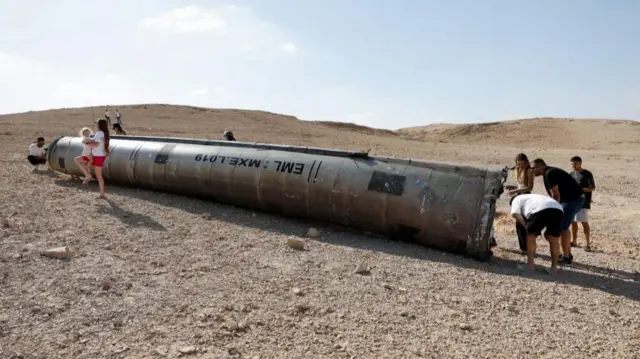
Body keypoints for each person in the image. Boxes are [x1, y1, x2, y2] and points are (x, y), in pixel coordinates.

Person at [531, 158, 585, 264]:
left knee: (562, 227)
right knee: (561, 227)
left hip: (572, 200)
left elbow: (556, 195)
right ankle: (567, 254)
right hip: (572, 199)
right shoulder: (549, 172)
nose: (532, 170)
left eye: (533, 168)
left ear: (541, 166)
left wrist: (553, 212)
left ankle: (566, 257)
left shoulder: (549, 174)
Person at [510, 193, 563, 273]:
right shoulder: (532, 197)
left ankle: (530, 266)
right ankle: (554, 268)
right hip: (558, 208)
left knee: (531, 237)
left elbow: (515, 214)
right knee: (554, 240)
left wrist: (527, 228)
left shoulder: (516, 199)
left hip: (539, 208)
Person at [506, 153, 535, 253]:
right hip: (519, 196)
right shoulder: (518, 169)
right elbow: (520, 185)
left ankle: (527, 248)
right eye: (518, 163)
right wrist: (513, 188)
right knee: (518, 223)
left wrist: (514, 191)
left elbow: (530, 187)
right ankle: (523, 247)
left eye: (522, 163)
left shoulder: (529, 171)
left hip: (525, 196)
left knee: (522, 222)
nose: (520, 165)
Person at [569, 156, 596, 250]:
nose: (573, 166)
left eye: (575, 164)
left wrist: (580, 189)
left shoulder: (587, 174)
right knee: (573, 222)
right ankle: (574, 241)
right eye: (572, 164)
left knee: (584, 222)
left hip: (584, 202)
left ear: (580, 163)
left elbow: (592, 188)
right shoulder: (571, 174)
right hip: (572, 201)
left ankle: (588, 244)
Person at [82, 118, 110, 198]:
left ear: (99, 125)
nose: (95, 125)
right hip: (95, 155)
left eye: (96, 123)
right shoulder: (99, 133)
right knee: (78, 160)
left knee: (98, 176)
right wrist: (89, 141)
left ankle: (102, 194)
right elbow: (95, 143)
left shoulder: (100, 133)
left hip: (98, 156)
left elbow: (96, 144)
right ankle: (87, 175)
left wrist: (86, 143)